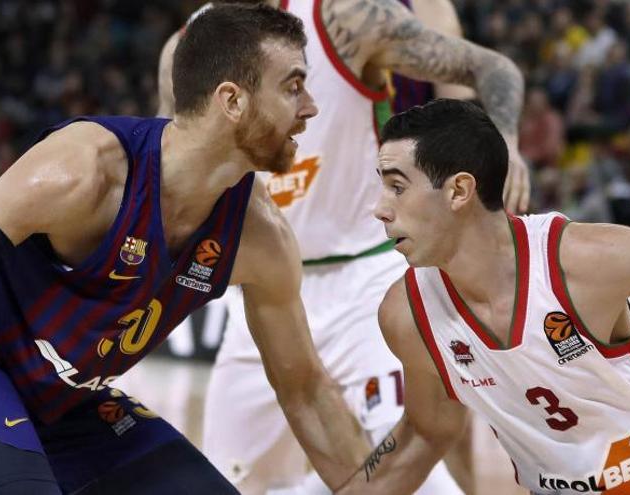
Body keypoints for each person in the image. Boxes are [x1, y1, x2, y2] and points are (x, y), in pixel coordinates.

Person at [0, 5, 371, 494]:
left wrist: (380, 488)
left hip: (63, 395)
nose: (311, 108)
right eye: (294, 86)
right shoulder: (85, 171)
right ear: (232, 101)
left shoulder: (262, 239)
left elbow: (304, 389)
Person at [149, 1, 527, 494]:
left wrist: (507, 145)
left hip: (368, 282)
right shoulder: (186, 48)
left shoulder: (343, 18)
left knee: (415, 477)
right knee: (232, 483)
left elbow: (492, 67)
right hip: (264, 291)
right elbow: (164, 167)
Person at [336, 98, 630, 494]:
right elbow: (423, 436)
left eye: (397, 187)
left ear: (459, 190)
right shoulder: (406, 314)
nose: (379, 209)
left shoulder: (583, 260)